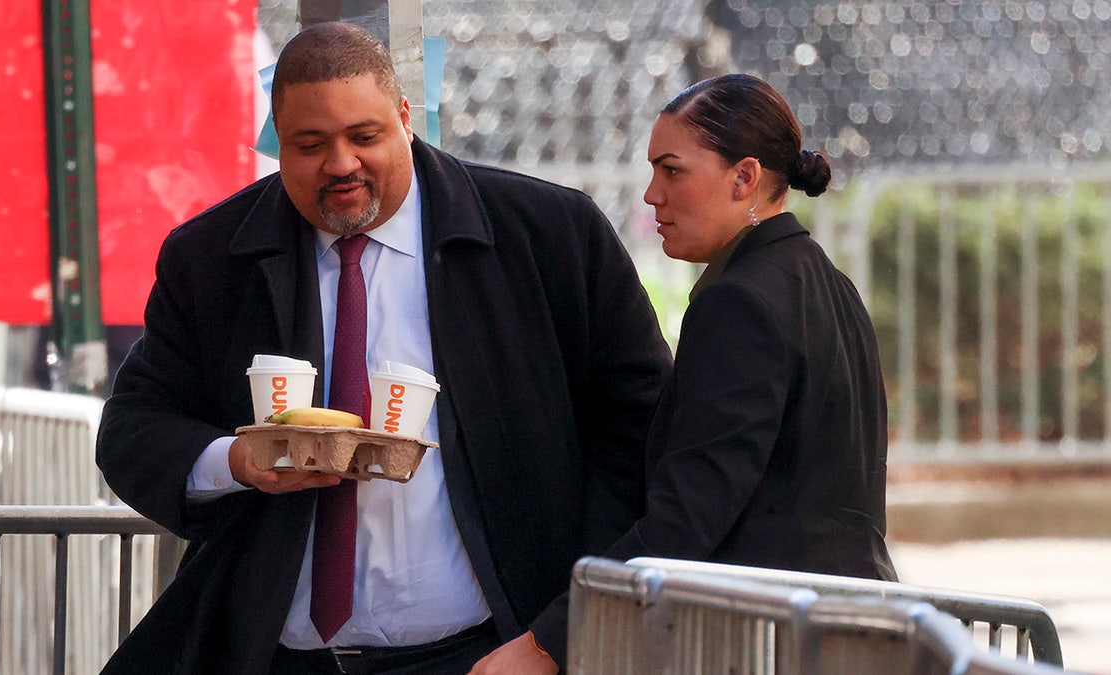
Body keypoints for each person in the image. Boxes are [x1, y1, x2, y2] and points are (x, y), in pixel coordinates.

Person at [94, 21, 672, 675]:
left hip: (489, 655)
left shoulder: (548, 235)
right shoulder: (211, 258)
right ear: (276, 142)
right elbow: (133, 431)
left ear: (405, 116)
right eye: (310, 144)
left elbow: (643, 440)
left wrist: (557, 635)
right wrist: (236, 459)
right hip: (280, 657)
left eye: (364, 136)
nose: (341, 163)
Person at [480, 72, 898, 669]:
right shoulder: (826, 283)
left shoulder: (741, 301)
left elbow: (690, 514)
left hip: (771, 642)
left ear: (744, 178)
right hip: (846, 629)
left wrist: (549, 641)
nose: (653, 194)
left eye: (672, 170)